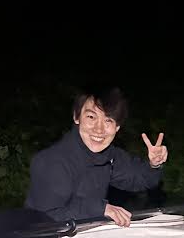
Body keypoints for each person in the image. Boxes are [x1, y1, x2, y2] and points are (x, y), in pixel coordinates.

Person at [25, 86, 168, 227]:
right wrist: (101, 209)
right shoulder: (51, 161)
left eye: (108, 120)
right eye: (91, 117)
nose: (99, 129)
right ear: (76, 117)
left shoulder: (109, 155)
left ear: (117, 127)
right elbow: (46, 216)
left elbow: (140, 179)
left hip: (89, 234)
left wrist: (154, 164)